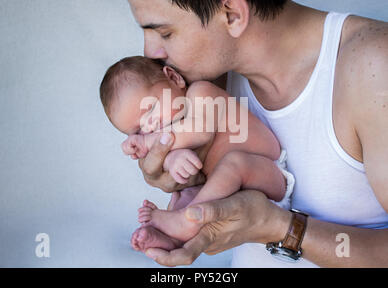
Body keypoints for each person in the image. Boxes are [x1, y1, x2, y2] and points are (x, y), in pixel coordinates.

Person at [108, 0, 388, 267]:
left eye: (165, 33)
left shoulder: (373, 67)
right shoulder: (207, 77)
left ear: (232, 15)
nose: (150, 51)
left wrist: (279, 228)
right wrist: (176, 174)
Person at [99, 56, 295, 252]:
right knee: (184, 193)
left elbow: (200, 130)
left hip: (268, 174)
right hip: (231, 197)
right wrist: (172, 159)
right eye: (137, 130)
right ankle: (172, 238)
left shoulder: (201, 93)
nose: (150, 127)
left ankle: (187, 219)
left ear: (174, 79)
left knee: (234, 163)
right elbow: (174, 151)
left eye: (150, 109)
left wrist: (146, 141)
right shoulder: (174, 134)